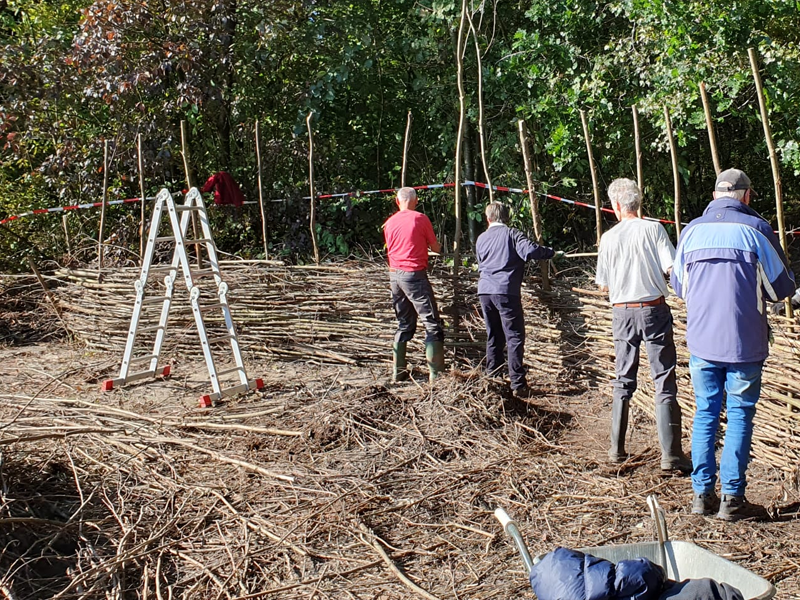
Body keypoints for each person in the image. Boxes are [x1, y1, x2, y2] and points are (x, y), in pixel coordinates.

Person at [671, 168, 796, 520]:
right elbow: (780, 288)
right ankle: (732, 498)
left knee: (706, 412)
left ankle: (701, 494)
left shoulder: (691, 232)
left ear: (714, 196)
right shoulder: (756, 230)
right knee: (740, 414)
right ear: (747, 196)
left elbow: (680, 287)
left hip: (701, 341)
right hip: (744, 343)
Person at [595, 178, 692, 474]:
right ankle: (670, 455)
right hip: (654, 310)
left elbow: (603, 285)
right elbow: (673, 269)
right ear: (638, 203)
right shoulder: (654, 229)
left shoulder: (609, 238)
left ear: (616, 206)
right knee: (663, 378)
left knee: (623, 378)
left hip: (622, 312)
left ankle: (616, 449)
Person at [476, 202, 555, 397]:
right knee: (514, 336)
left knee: (494, 335)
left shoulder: (481, 238)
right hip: (505, 290)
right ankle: (518, 383)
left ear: (488, 219)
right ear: (507, 217)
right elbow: (529, 252)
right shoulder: (512, 234)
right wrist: (549, 252)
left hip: (485, 291)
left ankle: (492, 377)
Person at [383, 187, 445, 382]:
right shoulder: (420, 219)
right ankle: (436, 376)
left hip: (395, 276)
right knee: (432, 324)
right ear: (416, 201)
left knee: (404, 323)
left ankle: (398, 372)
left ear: (397, 201)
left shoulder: (390, 222)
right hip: (414, 275)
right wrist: (437, 249)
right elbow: (435, 247)